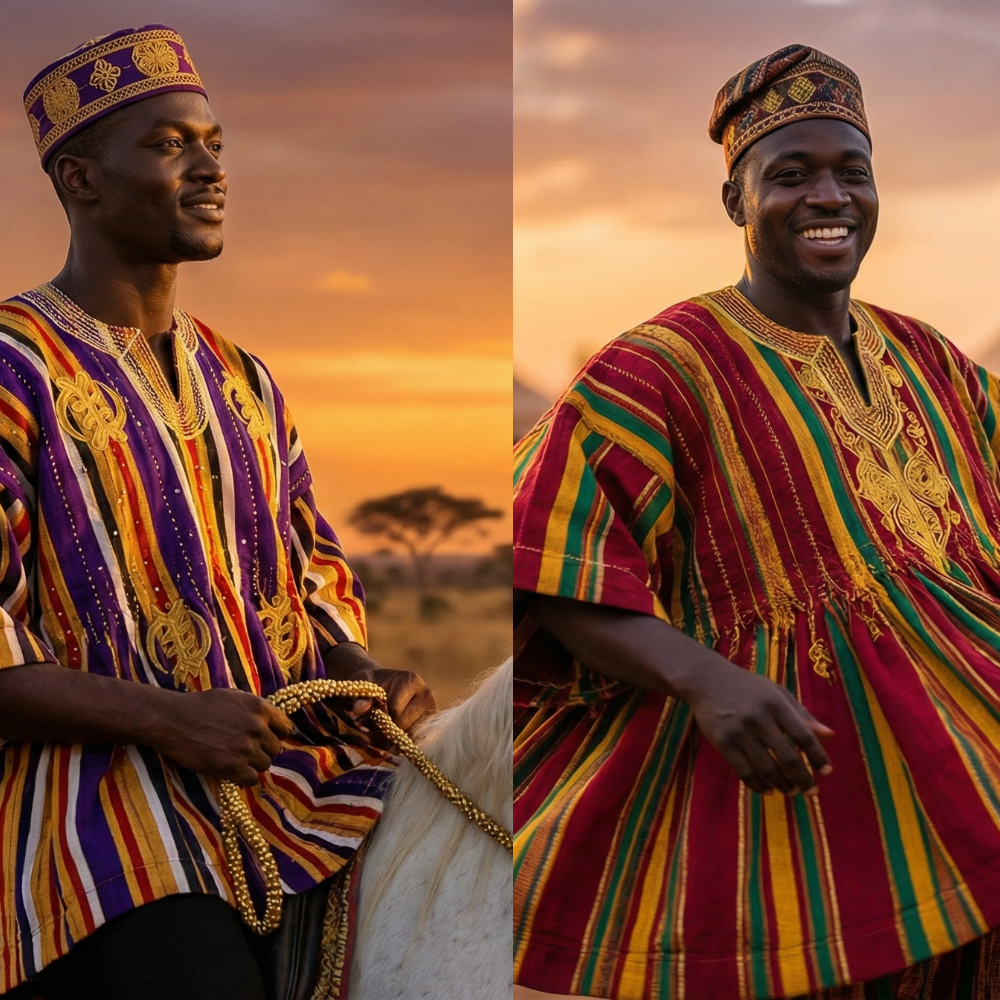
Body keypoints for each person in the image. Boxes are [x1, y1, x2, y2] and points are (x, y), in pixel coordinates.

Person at [513, 44, 1000, 1000]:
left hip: (963, 776)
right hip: (784, 802)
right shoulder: (655, 369)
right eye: (791, 175)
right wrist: (704, 679)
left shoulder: (935, 362)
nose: (829, 196)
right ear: (735, 202)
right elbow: (555, 564)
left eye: (850, 172)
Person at [0, 25, 435, 1000]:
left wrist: (363, 676)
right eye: (167, 146)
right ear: (80, 180)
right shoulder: (11, 367)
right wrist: (167, 718)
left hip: (286, 783)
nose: (209, 169)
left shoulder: (246, 379)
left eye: (215, 144)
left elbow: (315, 576)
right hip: (92, 819)